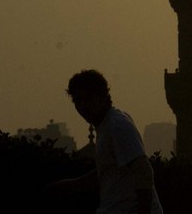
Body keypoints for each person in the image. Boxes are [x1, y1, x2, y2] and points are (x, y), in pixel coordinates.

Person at [48, 69, 163, 214]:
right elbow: (109, 172)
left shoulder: (117, 125)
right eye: (78, 101)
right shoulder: (107, 125)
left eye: (88, 99)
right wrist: (71, 185)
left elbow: (143, 171)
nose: (83, 106)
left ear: (102, 96)